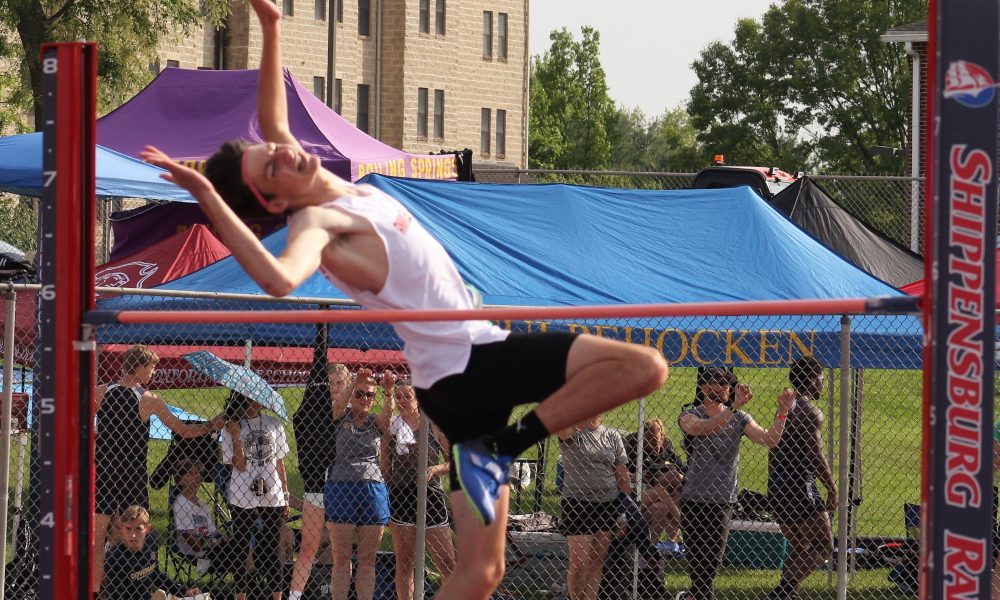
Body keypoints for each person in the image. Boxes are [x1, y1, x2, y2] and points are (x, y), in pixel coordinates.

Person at [139, 2, 668, 597]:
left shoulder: (330, 182)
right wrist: (209, 195)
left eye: (278, 146)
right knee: (639, 370)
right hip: (463, 374)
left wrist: (271, 26)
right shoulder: (319, 221)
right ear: (274, 200)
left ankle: (503, 447)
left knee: (485, 570)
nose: (287, 150)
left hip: (484, 351)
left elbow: (272, 117)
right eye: (275, 164)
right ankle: (500, 446)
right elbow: (280, 278)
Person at [93, 345, 224, 595]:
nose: (152, 373)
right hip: (131, 473)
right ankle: (136, 587)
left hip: (106, 470)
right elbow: (184, 431)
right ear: (140, 367)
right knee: (137, 530)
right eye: (151, 368)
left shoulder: (101, 391)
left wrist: (98, 437)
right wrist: (211, 425)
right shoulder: (148, 398)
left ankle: (97, 590)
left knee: (100, 536)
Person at [675, 367, 794, 600]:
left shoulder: (740, 418)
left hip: (722, 498)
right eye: (717, 383)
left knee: (712, 562)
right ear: (703, 387)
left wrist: (782, 412)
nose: (723, 387)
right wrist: (733, 407)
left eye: (726, 383)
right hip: (693, 497)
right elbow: (703, 428)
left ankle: (692, 597)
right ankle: (695, 596)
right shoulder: (690, 414)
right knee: (698, 563)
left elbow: (769, 440)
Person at [766, 357, 837, 600]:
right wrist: (832, 487)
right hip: (798, 483)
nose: (822, 384)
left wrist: (774, 486)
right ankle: (782, 592)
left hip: (777, 483)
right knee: (823, 545)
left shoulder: (785, 407)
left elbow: (773, 450)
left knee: (800, 547)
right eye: (821, 379)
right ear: (811, 378)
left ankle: (788, 595)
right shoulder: (809, 411)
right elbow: (815, 453)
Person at [289, 355, 357, 600]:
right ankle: (294, 596)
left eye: (340, 382)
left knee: (342, 552)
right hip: (317, 487)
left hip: (344, 489)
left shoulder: (356, 415)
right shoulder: (314, 412)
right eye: (330, 382)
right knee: (308, 547)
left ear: (349, 384)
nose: (335, 387)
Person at [383, 380, 456, 600]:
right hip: (400, 496)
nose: (403, 401)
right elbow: (385, 468)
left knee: (447, 562)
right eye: (399, 397)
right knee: (405, 562)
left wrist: (434, 469)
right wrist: (384, 498)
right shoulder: (392, 426)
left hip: (430, 495)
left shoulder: (433, 424)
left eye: (408, 396)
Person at [325, 370, 394, 600]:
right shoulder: (340, 414)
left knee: (367, 559)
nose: (365, 399)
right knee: (342, 558)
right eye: (359, 394)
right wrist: (355, 381)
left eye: (369, 396)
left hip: (372, 488)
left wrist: (388, 391)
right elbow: (335, 407)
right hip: (341, 486)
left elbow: (388, 417)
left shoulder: (374, 420)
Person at [221, 391, 290, 600]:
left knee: (271, 547)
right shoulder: (231, 427)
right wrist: (235, 436)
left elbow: (279, 462)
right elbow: (239, 466)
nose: (254, 403)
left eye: (258, 398)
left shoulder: (274, 424)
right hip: (243, 493)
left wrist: (285, 494)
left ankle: (276, 596)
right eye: (249, 399)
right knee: (241, 546)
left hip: (272, 492)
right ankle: (241, 595)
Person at [558, 415, 632, 600]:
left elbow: (621, 472)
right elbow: (563, 432)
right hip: (578, 502)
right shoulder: (574, 431)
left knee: (597, 560)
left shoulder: (612, 435)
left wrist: (625, 507)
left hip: (607, 503)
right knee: (579, 561)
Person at [101, 505, 201, 600]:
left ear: (147, 529)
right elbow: (116, 597)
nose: (133, 535)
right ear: (122, 529)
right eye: (128, 529)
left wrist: (185, 592)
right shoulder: (115, 558)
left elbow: (156, 575)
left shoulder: (151, 542)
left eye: (138, 529)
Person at [625, 418, 684, 543]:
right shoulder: (636, 451)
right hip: (649, 489)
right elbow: (619, 470)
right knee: (674, 476)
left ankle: (666, 544)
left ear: (662, 437)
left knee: (664, 505)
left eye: (654, 439)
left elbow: (685, 470)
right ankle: (686, 525)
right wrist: (633, 475)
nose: (650, 443)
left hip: (668, 495)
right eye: (647, 440)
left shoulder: (669, 452)